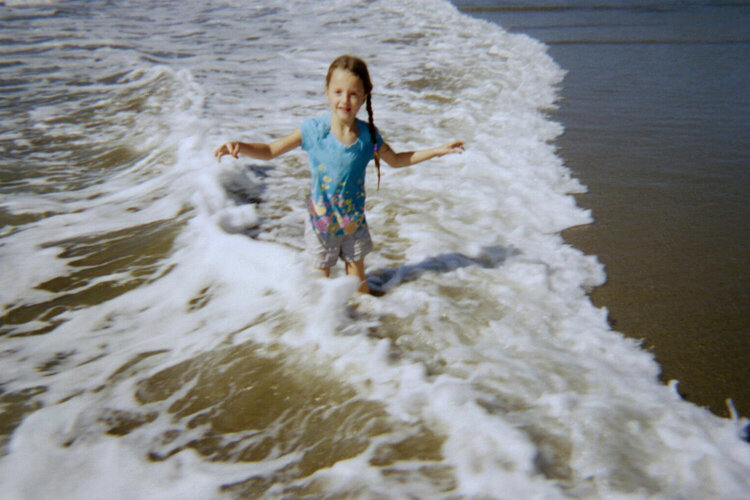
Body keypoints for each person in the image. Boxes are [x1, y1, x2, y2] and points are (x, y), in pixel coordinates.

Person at [215, 55, 464, 294]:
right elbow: (270, 150)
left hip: (353, 225)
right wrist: (240, 145)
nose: (345, 100)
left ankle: (367, 331)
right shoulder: (313, 131)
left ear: (364, 97)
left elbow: (397, 160)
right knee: (320, 291)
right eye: (338, 92)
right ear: (327, 92)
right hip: (320, 225)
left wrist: (438, 151)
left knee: (360, 287)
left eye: (353, 94)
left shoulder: (369, 136)